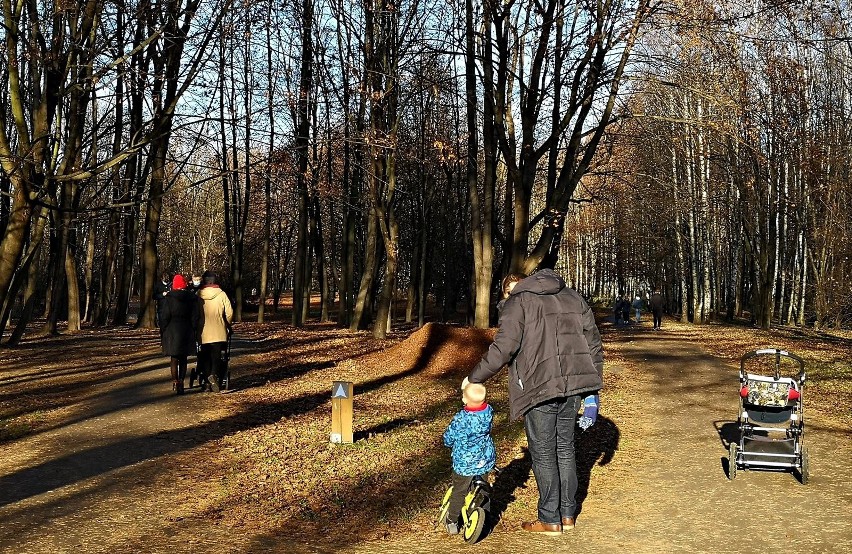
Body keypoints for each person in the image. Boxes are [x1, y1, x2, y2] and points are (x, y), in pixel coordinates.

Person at [464, 269, 603, 535]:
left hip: (539, 387)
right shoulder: (573, 297)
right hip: (573, 388)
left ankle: (549, 518)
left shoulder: (519, 302)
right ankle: (568, 515)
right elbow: (593, 344)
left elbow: (504, 347)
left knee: (544, 454)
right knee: (565, 449)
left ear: (509, 291)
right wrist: (592, 391)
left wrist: (475, 377)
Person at [442, 382, 497, 535]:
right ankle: (485, 519)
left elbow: (449, 436)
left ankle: (452, 520)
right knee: (483, 489)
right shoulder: (488, 412)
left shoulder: (461, 419)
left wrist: (446, 442)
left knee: (459, 491)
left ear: (465, 400)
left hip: (465, 463)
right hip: (484, 460)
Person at [159, 274, 201, 395]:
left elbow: (165, 316)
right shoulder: (191, 298)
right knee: (183, 358)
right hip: (186, 330)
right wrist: (194, 328)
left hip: (172, 330)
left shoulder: (169, 299)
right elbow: (195, 316)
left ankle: (175, 381)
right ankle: (182, 381)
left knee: (174, 358)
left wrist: (163, 329)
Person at [198, 270, 233, 392]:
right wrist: (227, 323)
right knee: (216, 356)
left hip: (203, 331)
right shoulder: (222, 294)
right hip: (219, 330)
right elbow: (229, 312)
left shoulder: (199, 294)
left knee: (205, 356)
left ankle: (207, 382)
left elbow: (195, 313)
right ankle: (214, 374)